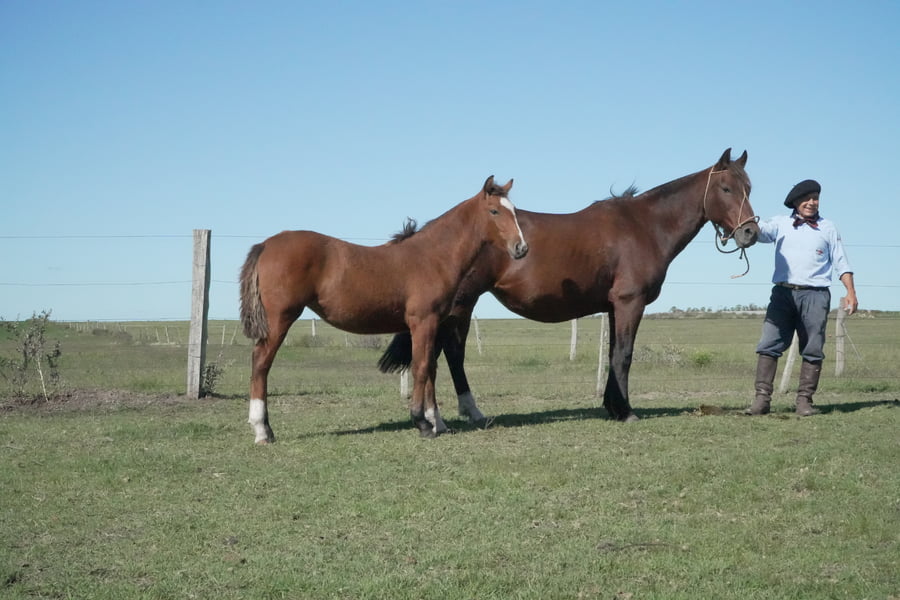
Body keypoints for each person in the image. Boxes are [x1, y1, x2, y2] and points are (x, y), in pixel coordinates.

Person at [745, 179, 858, 416]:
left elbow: (842, 263)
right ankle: (761, 401)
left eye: (815, 198)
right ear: (795, 202)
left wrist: (850, 292)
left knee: (813, 348)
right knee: (769, 344)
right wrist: (741, 217)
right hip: (782, 294)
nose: (811, 203)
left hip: (816, 295)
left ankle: (804, 402)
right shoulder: (779, 223)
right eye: (806, 198)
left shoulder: (828, 228)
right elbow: (756, 232)